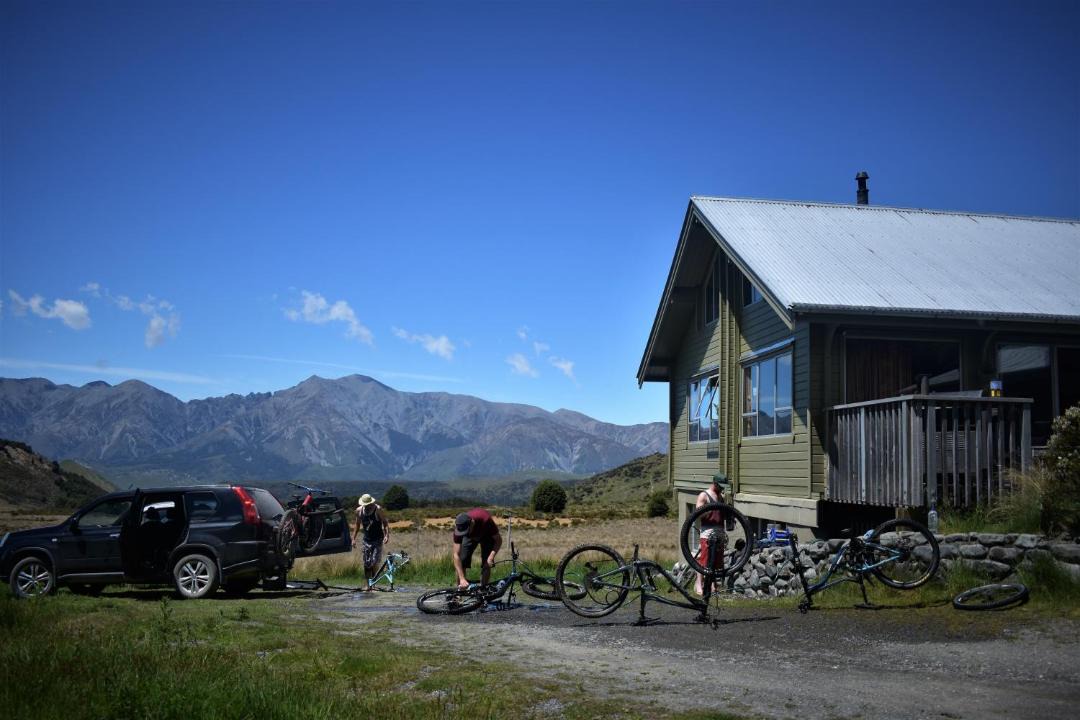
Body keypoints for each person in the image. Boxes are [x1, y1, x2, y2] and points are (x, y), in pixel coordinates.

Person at [451, 508, 502, 588]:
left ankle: (483, 589)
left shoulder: (486, 520)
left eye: (466, 531)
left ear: (472, 523)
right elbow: (456, 555)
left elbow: (498, 540)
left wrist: (491, 556)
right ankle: (459, 591)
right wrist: (462, 578)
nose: (465, 533)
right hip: (470, 538)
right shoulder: (459, 529)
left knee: (487, 562)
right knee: (462, 560)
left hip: (486, 535)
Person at [694, 478, 727, 595]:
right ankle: (698, 584)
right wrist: (710, 510)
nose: (722, 488)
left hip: (719, 531)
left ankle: (712, 584)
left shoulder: (721, 497)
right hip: (707, 531)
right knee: (704, 560)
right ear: (715, 483)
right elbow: (698, 513)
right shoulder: (704, 495)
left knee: (716, 560)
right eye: (720, 486)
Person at [353, 494, 389, 591]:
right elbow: (357, 525)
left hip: (377, 539)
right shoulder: (359, 511)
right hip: (367, 540)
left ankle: (373, 583)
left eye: (369, 504)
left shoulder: (377, 509)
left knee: (374, 562)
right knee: (366, 563)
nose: (368, 506)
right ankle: (367, 584)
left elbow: (385, 522)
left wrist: (386, 535)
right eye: (366, 505)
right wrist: (353, 538)